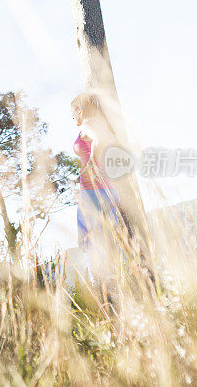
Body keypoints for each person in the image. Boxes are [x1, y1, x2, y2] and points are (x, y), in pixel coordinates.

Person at [71, 92, 123, 296]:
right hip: (108, 189)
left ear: (80, 110)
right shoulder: (103, 123)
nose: (73, 118)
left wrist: (91, 160)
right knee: (108, 236)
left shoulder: (88, 125)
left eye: (73, 113)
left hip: (93, 191)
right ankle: (114, 280)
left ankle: (99, 283)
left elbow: (98, 140)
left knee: (87, 238)